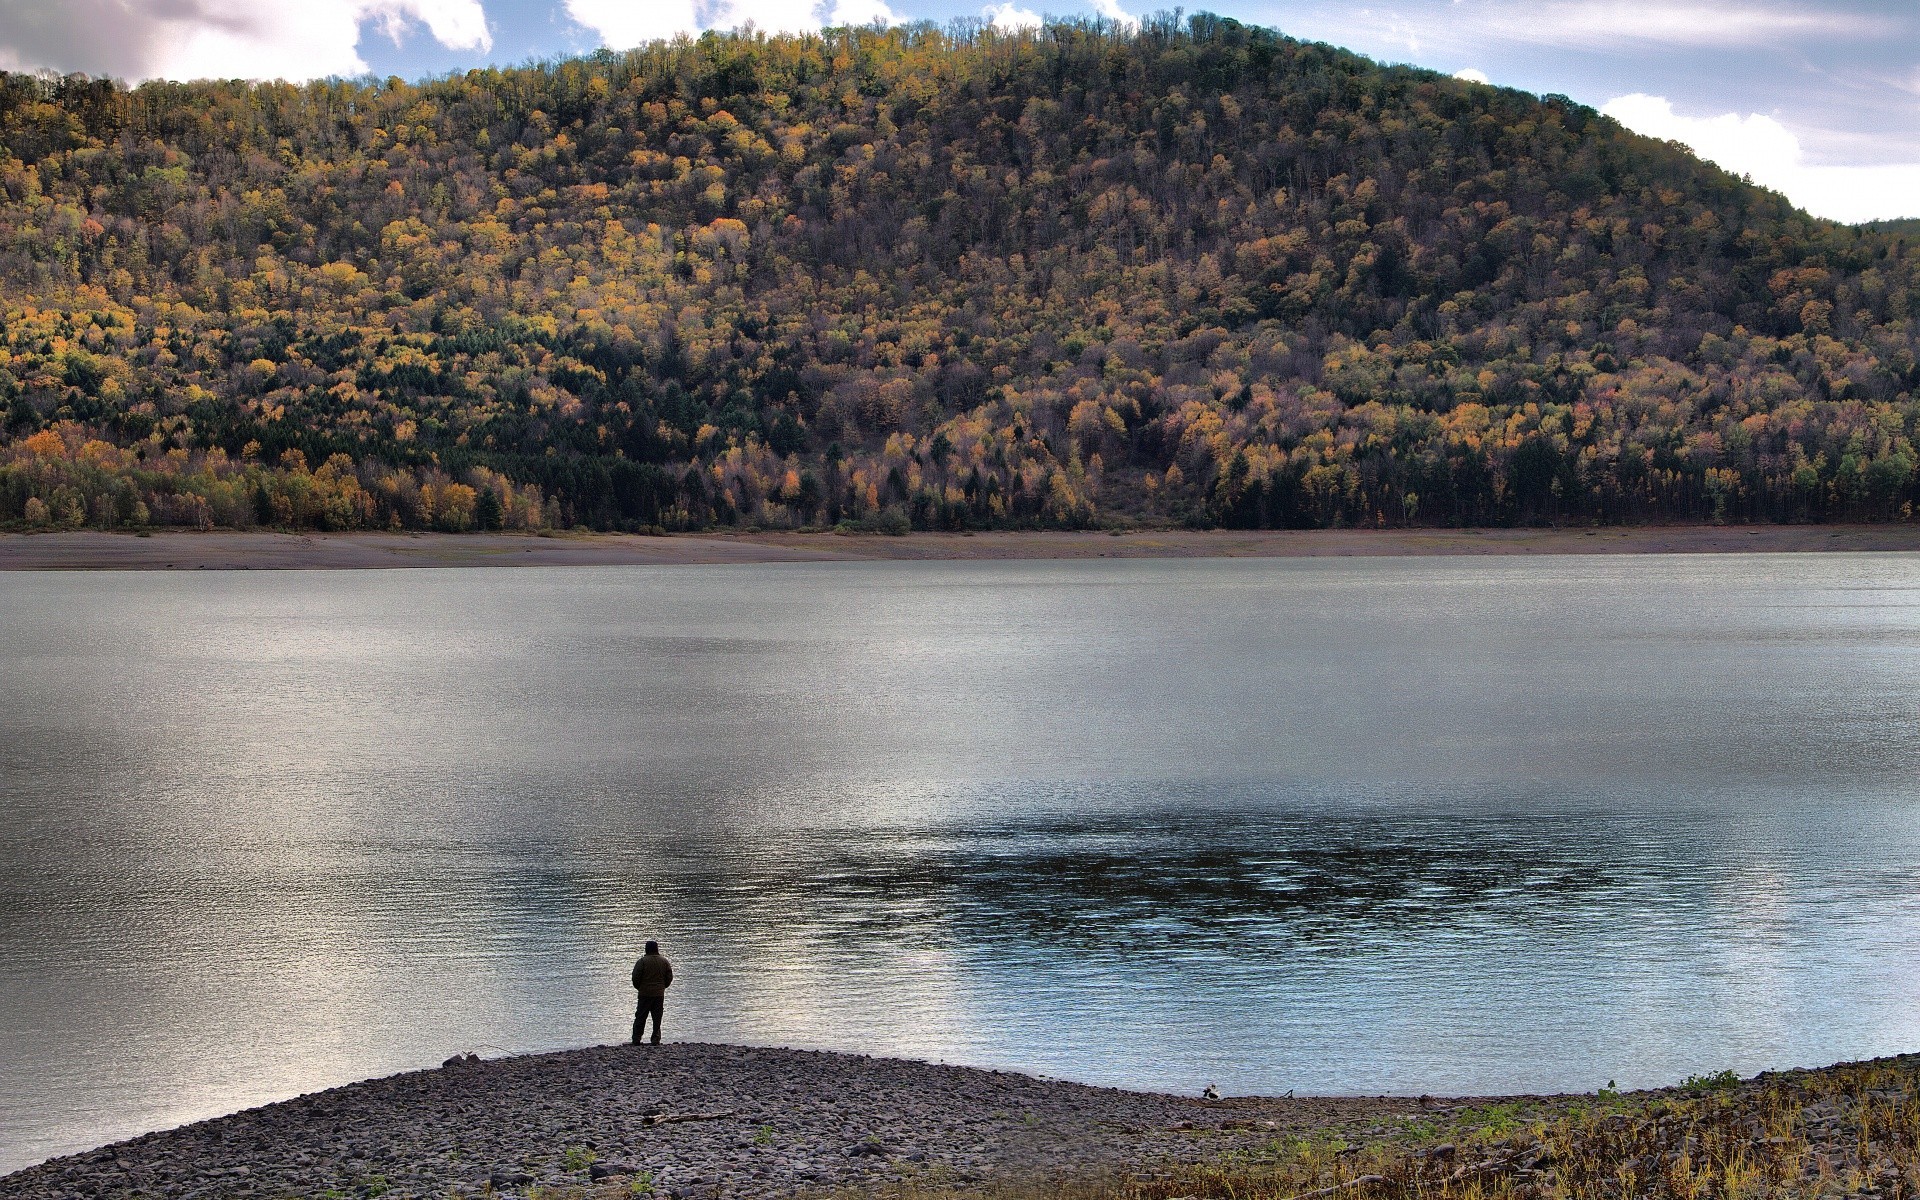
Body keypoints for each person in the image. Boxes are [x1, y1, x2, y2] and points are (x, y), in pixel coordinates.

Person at [631, 940, 673, 1045]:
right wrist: (663, 987)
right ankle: (655, 1039)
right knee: (657, 1018)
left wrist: (640, 988)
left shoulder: (642, 961)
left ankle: (636, 1039)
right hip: (659, 994)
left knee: (640, 1017)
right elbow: (669, 977)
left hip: (644, 993)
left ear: (646, 949)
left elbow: (635, 978)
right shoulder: (664, 961)